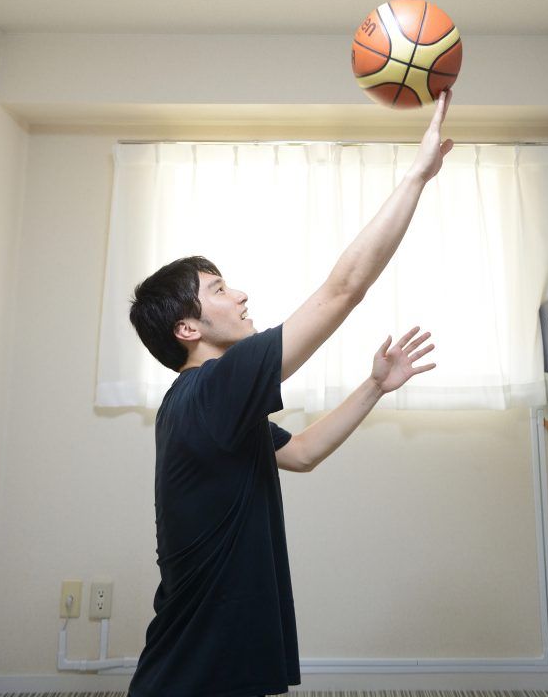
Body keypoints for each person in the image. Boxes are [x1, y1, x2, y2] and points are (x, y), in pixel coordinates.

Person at [127, 89, 453, 697]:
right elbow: (343, 289)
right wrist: (417, 176)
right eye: (218, 290)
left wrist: (374, 386)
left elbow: (300, 453)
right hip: (194, 673)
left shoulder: (208, 404)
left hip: (216, 658)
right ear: (187, 329)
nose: (240, 295)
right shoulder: (213, 389)